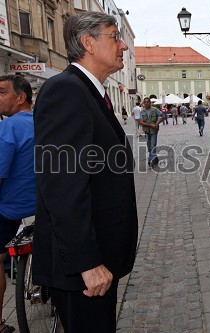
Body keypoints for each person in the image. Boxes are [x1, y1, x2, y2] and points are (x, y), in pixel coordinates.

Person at [32, 12, 138, 333]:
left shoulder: (90, 92)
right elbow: (63, 187)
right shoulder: (65, 91)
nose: (123, 46)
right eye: (114, 37)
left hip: (100, 256)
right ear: (88, 43)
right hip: (84, 269)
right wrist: (87, 262)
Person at [0, 74, 35, 333]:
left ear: (21, 97)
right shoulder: (44, 123)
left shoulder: (9, 127)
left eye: (2, 92)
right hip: (42, 203)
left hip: (10, 207)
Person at [139, 97, 164, 166]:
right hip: (147, 131)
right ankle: (155, 159)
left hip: (154, 131)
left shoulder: (155, 110)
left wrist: (157, 123)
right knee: (149, 146)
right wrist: (150, 124)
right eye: (145, 102)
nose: (146, 103)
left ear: (150, 102)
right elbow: (140, 122)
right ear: (144, 103)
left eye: (148, 102)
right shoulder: (142, 111)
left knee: (153, 145)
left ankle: (151, 160)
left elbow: (163, 116)